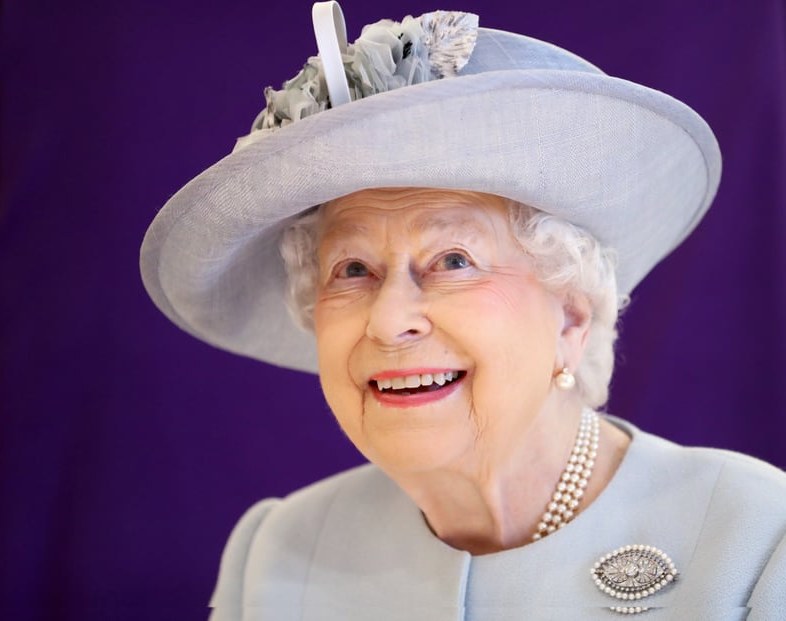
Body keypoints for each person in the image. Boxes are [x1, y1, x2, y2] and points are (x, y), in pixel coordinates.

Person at [139, 3, 786, 619]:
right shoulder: (277, 554)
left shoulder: (756, 543)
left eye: (452, 260)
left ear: (570, 316)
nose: (390, 321)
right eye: (353, 269)